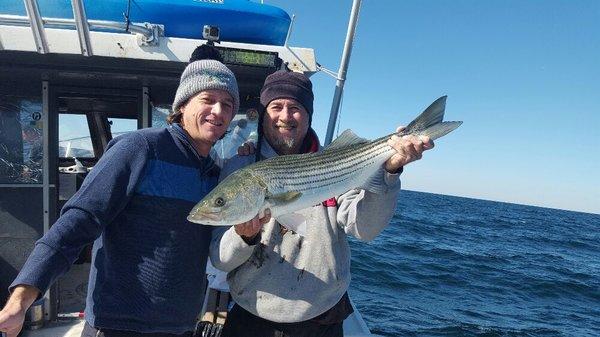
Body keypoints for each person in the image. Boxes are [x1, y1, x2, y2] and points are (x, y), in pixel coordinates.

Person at [0, 50, 240, 337]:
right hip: (117, 325)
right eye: (208, 100)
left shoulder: (215, 174)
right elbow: (77, 222)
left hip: (180, 327)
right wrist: (22, 298)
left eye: (227, 104)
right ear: (184, 104)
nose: (218, 111)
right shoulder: (140, 148)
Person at [209, 70, 434, 337]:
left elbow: (366, 229)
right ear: (264, 113)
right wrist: (242, 237)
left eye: (295, 107)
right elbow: (220, 260)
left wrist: (390, 172)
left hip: (322, 320)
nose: (284, 116)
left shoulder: (336, 163)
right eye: (276, 106)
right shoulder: (239, 167)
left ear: (308, 114)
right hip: (252, 315)